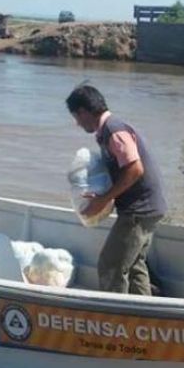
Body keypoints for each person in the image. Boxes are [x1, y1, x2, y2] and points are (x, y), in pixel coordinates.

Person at [66, 85, 167, 295]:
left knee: (110, 266)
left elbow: (135, 169)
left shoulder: (114, 130)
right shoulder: (110, 130)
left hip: (139, 210)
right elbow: (123, 172)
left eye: (76, 117)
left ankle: (115, 319)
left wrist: (103, 199)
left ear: (83, 112)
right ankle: (143, 316)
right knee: (134, 267)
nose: (77, 123)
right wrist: (101, 194)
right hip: (150, 207)